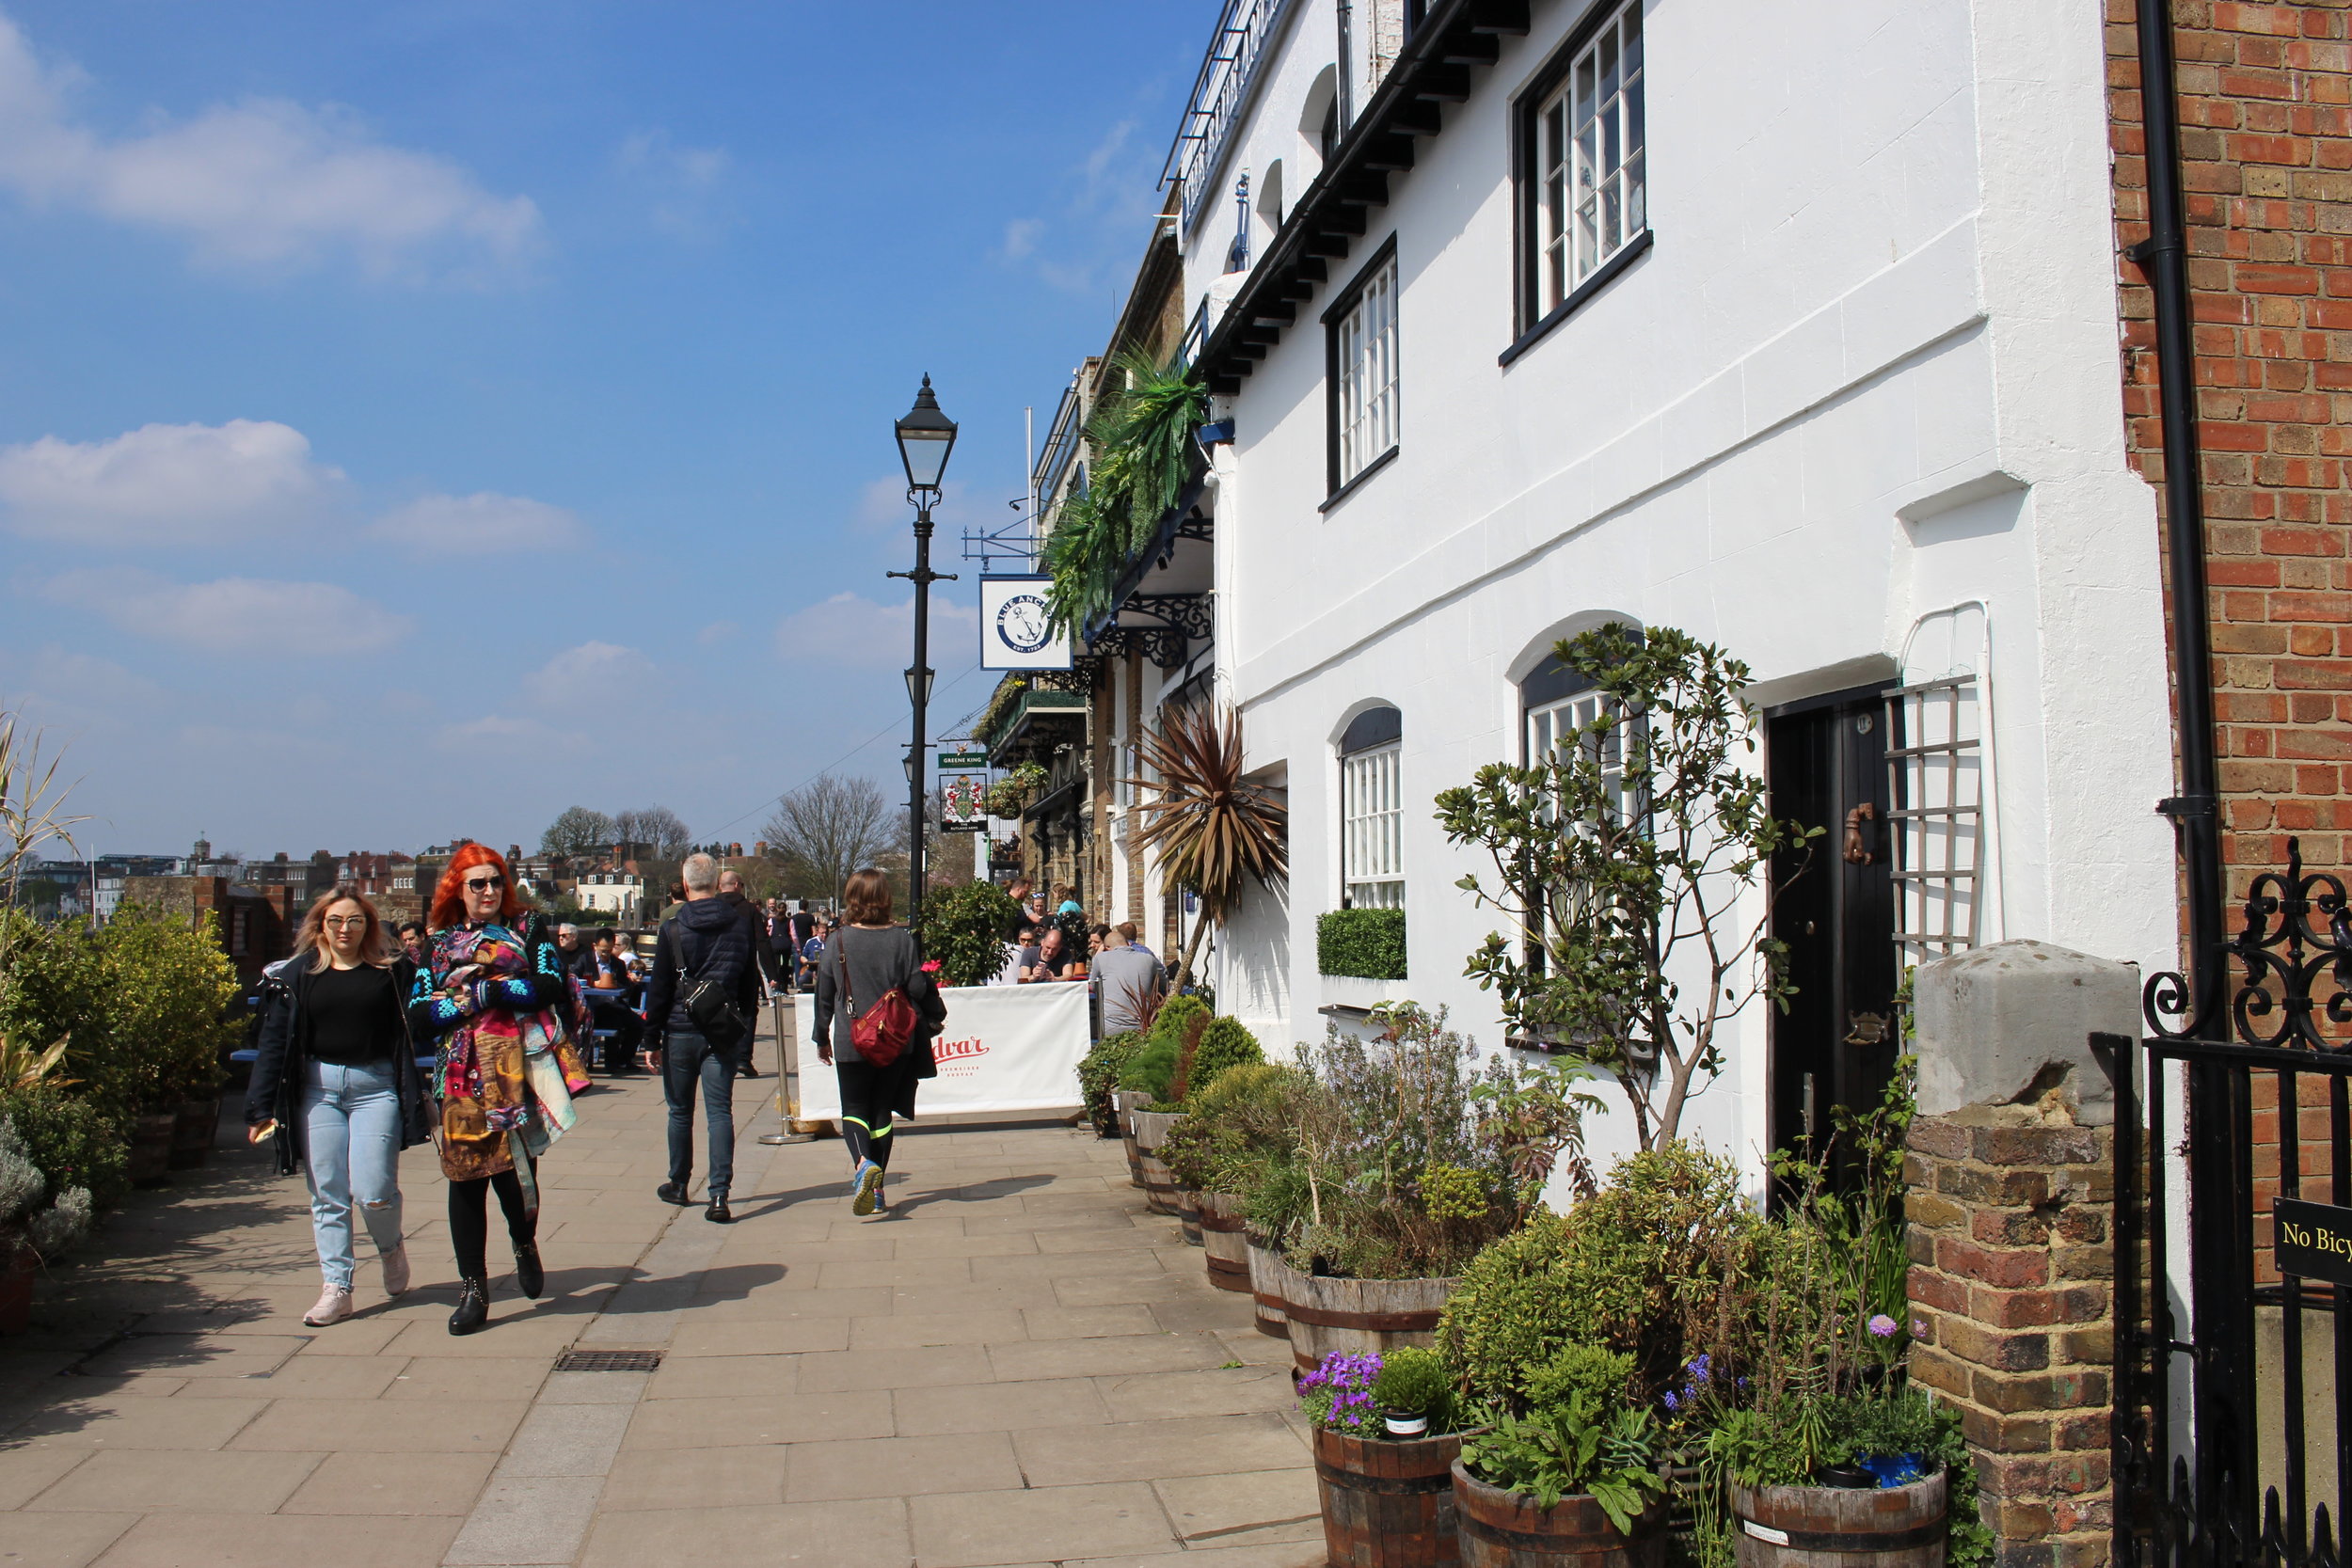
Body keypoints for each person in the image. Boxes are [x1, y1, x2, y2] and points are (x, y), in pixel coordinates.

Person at [408, 845, 590, 1336]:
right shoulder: (437, 944)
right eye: (477, 883)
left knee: (514, 1175)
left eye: (495, 881)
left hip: (517, 1071)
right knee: (464, 1180)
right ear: (457, 889)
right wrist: (473, 1000)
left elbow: (549, 984)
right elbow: (420, 1015)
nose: (489, 891)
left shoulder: (528, 928)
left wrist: (483, 991)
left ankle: (523, 1240)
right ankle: (473, 1288)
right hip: (460, 1077)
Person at [245, 885, 433, 1327]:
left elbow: (421, 1024)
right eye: (335, 921)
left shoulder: (392, 973)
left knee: (373, 1191)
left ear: (369, 926)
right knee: (327, 1193)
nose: (344, 929)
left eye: (354, 920)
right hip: (317, 1091)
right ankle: (337, 1287)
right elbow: (274, 1043)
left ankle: (390, 1250)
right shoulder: (296, 977)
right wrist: (260, 1108)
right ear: (319, 926)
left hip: (375, 1088)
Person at [812, 868, 945, 1217]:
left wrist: (820, 1035)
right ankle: (879, 1189)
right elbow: (916, 987)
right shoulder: (902, 940)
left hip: (850, 1037)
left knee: (853, 1109)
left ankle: (861, 1165)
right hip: (894, 1040)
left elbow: (824, 994)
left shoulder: (837, 941)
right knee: (882, 1111)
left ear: (852, 898)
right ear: (885, 899)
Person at [644, 853, 759, 1223]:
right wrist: (741, 1027)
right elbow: (747, 987)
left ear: (685, 880)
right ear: (715, 882)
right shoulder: (739, 927)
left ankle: (678, 1183)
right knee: (719, 1112)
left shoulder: (673, 929)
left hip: (679, 1029)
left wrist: (650, 1039)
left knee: (680, 1111)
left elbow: (659, 989)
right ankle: (720, 1194)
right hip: (720, 1032)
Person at [715, 867, 779, 1079]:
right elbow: (762, 941)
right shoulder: (749, 910)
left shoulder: (711, 907)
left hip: (715, 968)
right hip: (744, 967)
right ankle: (743, 1058)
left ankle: (719, 1056)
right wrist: (772, 974)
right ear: (736, 885)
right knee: (748, 1012)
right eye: (742, 885)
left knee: (716, 1011)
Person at [1092, 923, 1165, 1039]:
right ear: (1128, 943)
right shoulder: (1149, 959)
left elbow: (1093, 986)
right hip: (1143, 1027)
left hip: (1110, 1029)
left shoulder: (1100, 958)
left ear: (1107, 948)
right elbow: (1164, 983)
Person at [584, 933, 642, 1075]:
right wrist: (593, 983)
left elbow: (626, 987)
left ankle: (623, 1060)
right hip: (593, 1006)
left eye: (609, 950)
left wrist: (619, 985)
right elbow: (573, 978)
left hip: (614, 1004)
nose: (606, 954)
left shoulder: (618, 963)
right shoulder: (585, 960)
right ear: (595, 946)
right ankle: (611, 1063)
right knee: (613, 1021)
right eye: (603, 950)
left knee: (639, 1025)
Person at [797, 916, 828, 992]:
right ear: (817, 932)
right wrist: (806, 962)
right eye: (822, 933)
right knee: (802, 980)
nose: (824, 935)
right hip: (812, 968)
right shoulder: (811, 942)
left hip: (826, 969)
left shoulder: (831, 941)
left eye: (826, 933)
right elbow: (803, 956)